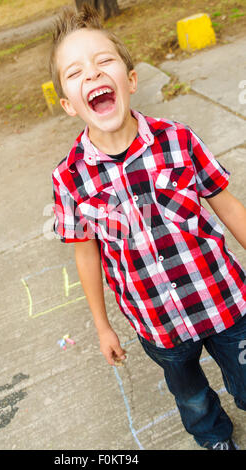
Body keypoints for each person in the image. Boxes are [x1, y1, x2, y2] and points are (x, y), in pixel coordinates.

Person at [50, 4, 246, 450]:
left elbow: (228, 206)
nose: (93, 74)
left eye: (104, 62)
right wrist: (102, 326)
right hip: (156, 323)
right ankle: (214, 437)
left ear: (131, 80)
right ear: (67, 104)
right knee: (191, 397)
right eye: (76, 72)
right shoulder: (69, 178)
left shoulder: (179, 139)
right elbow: (86, 252)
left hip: (224, 301)